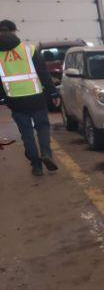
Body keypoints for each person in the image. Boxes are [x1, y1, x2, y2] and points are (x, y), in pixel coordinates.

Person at [0, 19, 60, 176]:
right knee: (42, 127)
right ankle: (46, 154)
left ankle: (36, 166)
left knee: (26, 133)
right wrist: (53, 92)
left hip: (15, 101)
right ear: (13, 31)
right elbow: (44, 73)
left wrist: (3, 98)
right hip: (36, 98)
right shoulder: (29, 49)